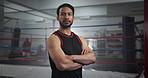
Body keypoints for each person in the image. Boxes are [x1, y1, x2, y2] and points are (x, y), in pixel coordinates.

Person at [48, 3, 96, 78]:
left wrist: (72, 58)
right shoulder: (54, 38)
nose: (66, 17)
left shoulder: (80, 39)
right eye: (63, 14)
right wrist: (84, 61)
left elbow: (92, 58)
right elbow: (62, 65)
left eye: (69, 14)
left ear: (73, 18)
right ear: (58, 17)